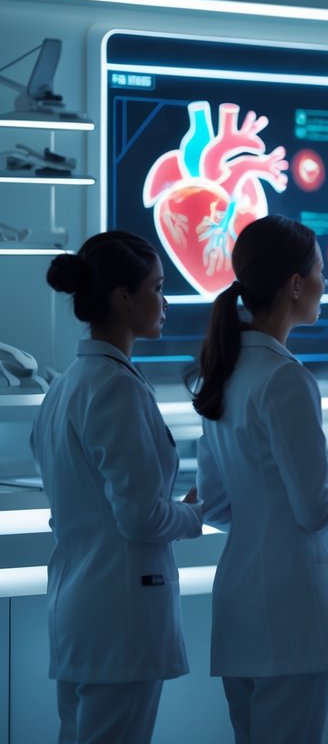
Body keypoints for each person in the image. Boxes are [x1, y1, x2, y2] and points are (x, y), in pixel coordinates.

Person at [192, 215, 328, 744]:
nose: (327, 284)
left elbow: (215, 506)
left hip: (238, 606)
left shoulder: (226, 370)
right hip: (290, 612)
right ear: (295, 285)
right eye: (320, 273)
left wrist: (293, 490)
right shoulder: (287, 378)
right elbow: (315, 513)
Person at [29, 231, 203, 744]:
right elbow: (142, 517)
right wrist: (196, 512)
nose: (165, 301)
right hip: (119, 614)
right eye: (157, 287)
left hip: (83, 608)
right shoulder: (115, 388)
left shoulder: (67, 384)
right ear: (123, 298)